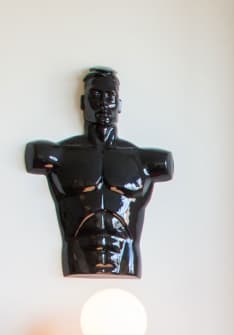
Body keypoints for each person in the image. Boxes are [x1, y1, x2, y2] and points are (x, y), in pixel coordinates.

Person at [25, 67, 173, 276]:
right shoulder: (57, 155)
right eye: (96, 95)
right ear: (83, 102)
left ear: (119, 105)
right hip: (78, 258)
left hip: (125, 259)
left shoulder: (148, 160)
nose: (104, 103)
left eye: (110, 96)